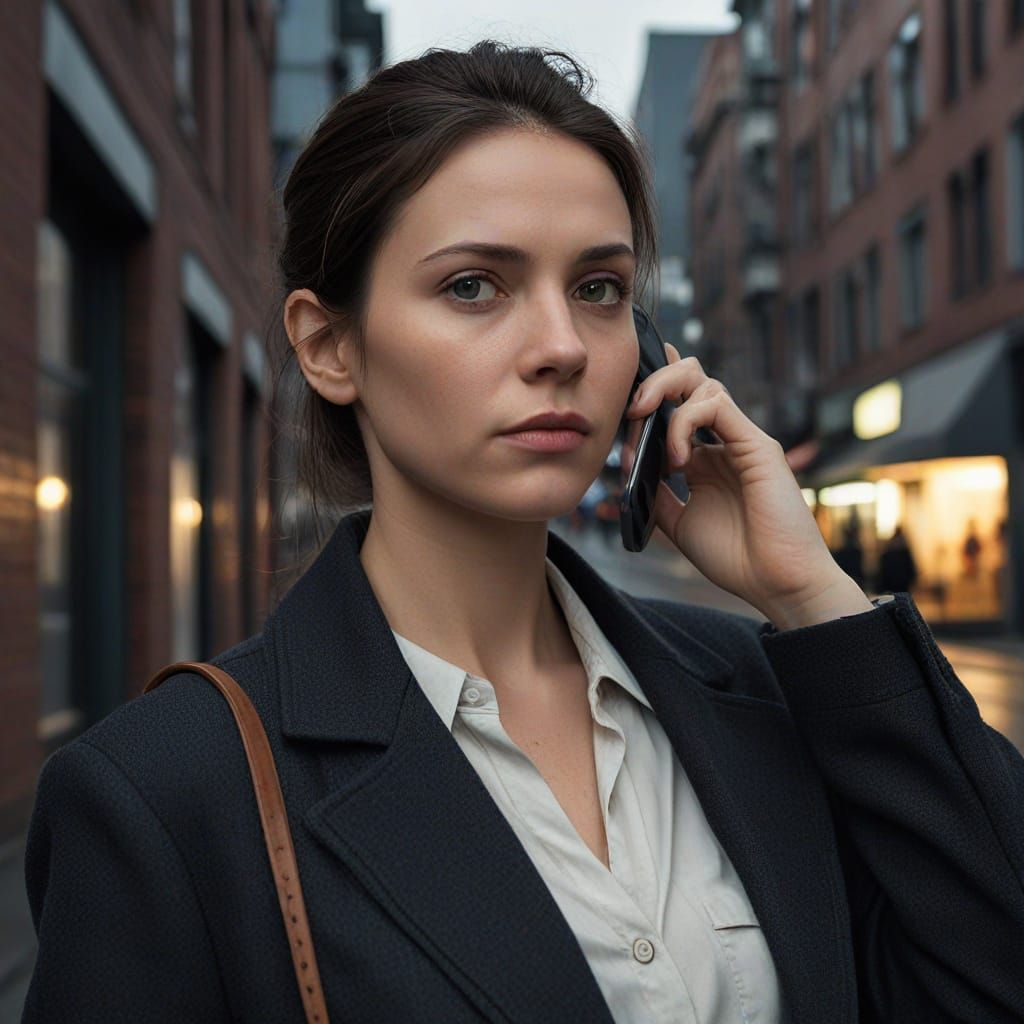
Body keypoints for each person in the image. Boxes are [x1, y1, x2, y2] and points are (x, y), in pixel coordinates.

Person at [21, 41, 1024, 1024]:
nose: (560, 346)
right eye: (474, 285)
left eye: (598, 289)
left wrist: (815, 598)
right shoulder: (165, 795)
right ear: (330, 347)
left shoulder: (758, 690)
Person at [876, 524, 918, 595]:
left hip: (892, 581)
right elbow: (910, 565)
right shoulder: (904, 548)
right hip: (902, 581)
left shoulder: (890, 547)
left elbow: (884, 565)